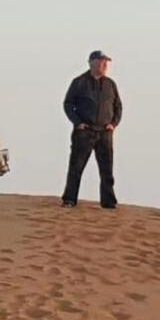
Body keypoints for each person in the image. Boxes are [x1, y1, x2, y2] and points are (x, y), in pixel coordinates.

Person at [61, 50, 123, 209]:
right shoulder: (79, 82)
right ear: (92, 62)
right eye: (102, 62)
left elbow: (118, 106)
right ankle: (69, 199)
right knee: (76, 167)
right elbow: (68, 104)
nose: (105, 65)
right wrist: (77, 123)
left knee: (107, 169)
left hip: (105, 132)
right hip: (84, 132)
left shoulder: (110, 84)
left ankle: (108, 202)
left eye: (106, 63)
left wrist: (113, 124)